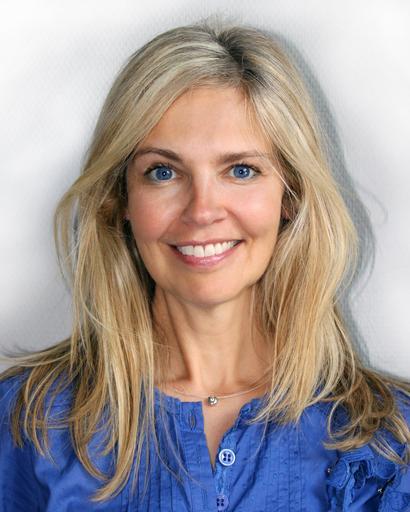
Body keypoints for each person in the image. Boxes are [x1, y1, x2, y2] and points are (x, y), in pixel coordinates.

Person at [0, 19, 409, 512]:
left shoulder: (390, 444)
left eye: (241, 170)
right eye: (163, 172)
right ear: (121, 199)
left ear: (291, 196)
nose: (201, 211)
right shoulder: (26, 424)